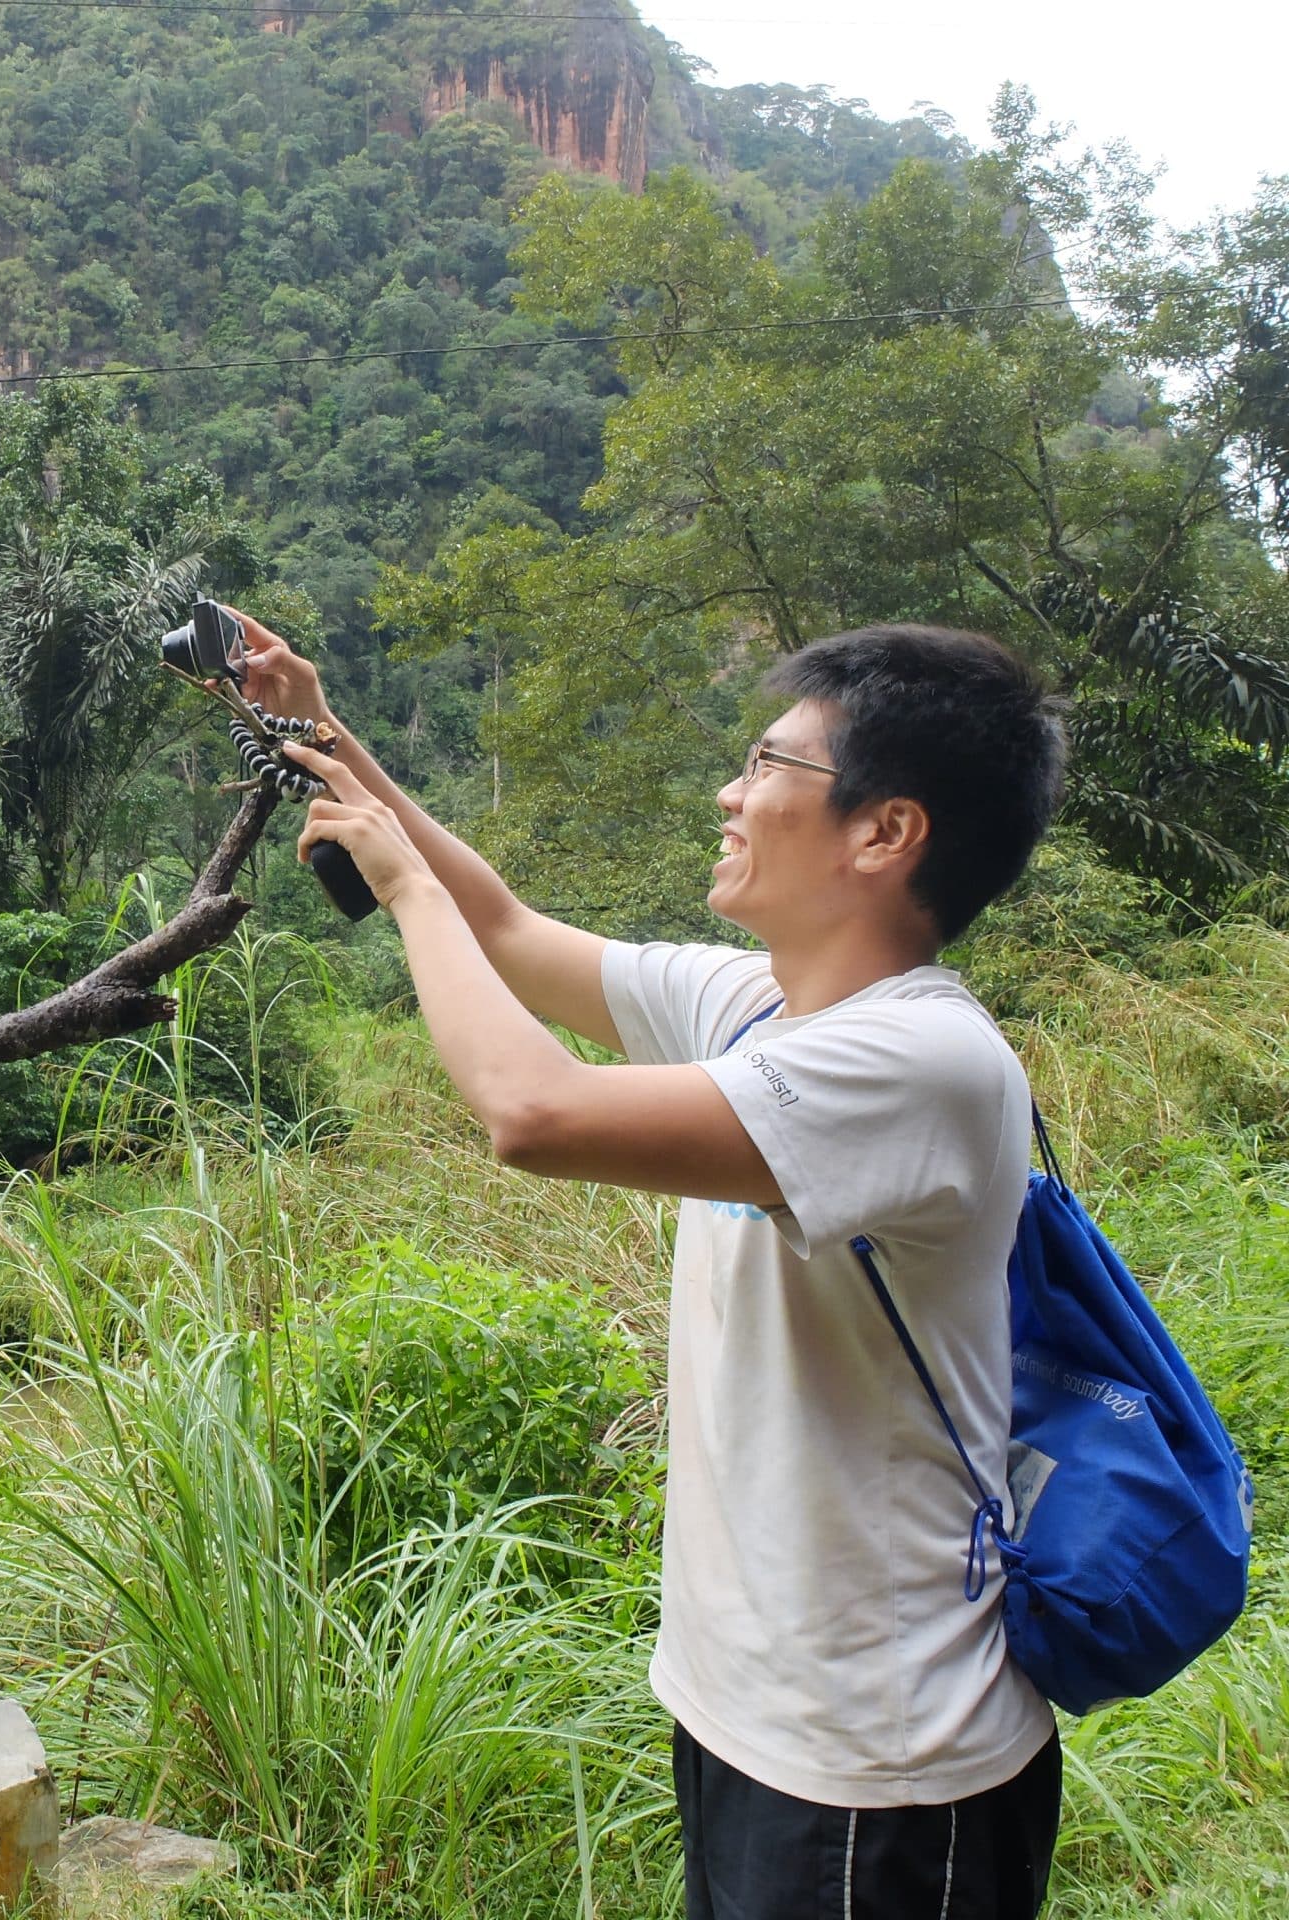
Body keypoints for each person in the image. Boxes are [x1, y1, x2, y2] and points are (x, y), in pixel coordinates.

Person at [245, 614, 1067, 1919]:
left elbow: (538, 1111)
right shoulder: (761, 1004)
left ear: (883, 831)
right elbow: (506, 929)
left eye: (769, 766)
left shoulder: (922, 1061)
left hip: (881, 1766)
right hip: (749, 1713)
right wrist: (318, 731)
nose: (730, 795)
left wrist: (398, 887)